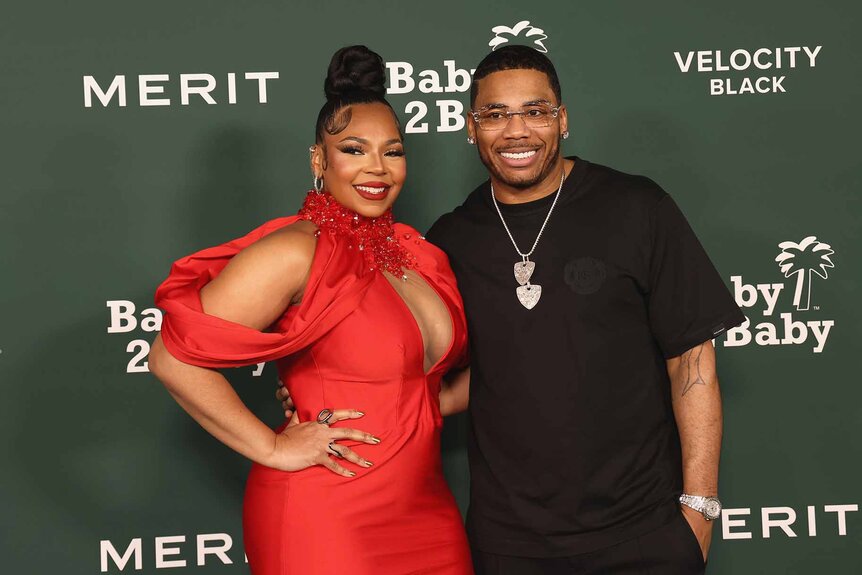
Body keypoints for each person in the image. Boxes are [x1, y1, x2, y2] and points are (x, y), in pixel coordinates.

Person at [277, 45, 744, 574]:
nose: (516, 131)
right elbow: (420, 371)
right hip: (509, 546)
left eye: (536, 111)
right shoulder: (447, 241)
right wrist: (321, 396)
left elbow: (693, 361)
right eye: (496, 115)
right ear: (472, 128)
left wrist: (700, 509)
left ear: (562, 120)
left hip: (643, 531)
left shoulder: (639, 208)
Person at [149, 45, 473, 575]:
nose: (377, 168)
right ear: (319, 160)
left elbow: (420, 396)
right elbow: (170, 357)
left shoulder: (415, 254)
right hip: (326, 516)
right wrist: (273, 448)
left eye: (393, 151)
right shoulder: (297, 250)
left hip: (427, 513)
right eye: (354, 149)